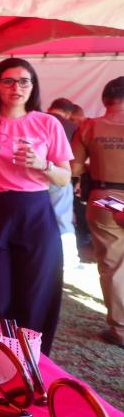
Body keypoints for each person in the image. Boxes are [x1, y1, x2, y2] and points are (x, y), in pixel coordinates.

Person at [0, 57, 73, 356]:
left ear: (32, 86)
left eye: (24, 81)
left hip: (34, 212)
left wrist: (42, 164)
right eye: (8, 80)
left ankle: (31, 361)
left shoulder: (48, 123)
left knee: (35, 291)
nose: (16, 87)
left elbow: (64, 177)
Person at [71, 76, 124, 348]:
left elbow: (74, 169)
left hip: (108, 198)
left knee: (113, 263)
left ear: (105, 100)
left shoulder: (90, 127)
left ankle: (120, 329)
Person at [47, 97, 79, 268]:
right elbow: (77, 160)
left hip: (32, 176)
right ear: (68, 113)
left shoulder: (37, 119)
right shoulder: (73, 127)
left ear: (50, 107)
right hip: (60, 176)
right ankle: (69, 259)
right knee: (62, 217)